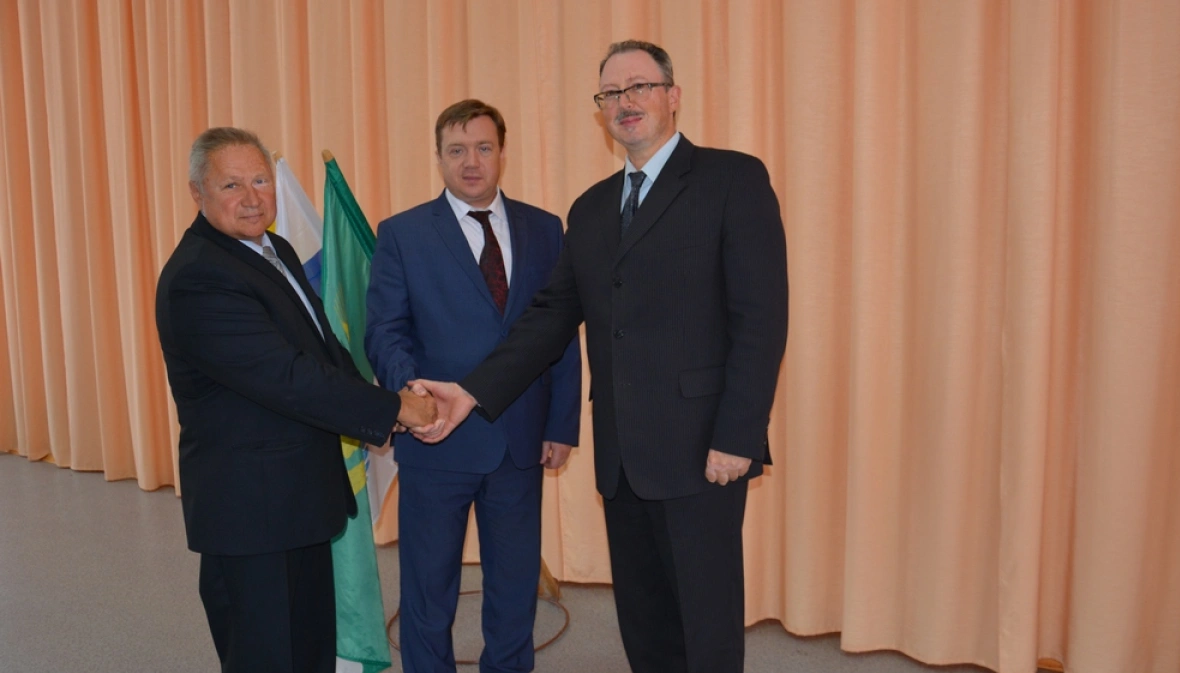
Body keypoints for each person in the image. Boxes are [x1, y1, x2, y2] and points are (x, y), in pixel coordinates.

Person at [411, 41, 789, 673]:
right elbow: (549, 318)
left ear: (673, 96)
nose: (625, 102)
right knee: (643, 615)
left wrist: (738, 435)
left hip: (703, 445)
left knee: (706, 615)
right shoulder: (589, 209)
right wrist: (471, 391)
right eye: (611, 93)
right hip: (621, 452)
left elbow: (762, 318)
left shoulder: (732, 179)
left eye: (639, 86)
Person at [155, 127, 436, 673]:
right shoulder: (199, 278)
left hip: (300, 500)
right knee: (266, 656)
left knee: (308, 651)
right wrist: (393, 409)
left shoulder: (273, 248)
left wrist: (385, 398)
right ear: (197, 193)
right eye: (232, 185)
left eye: (261, 180)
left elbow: (323, 351)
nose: (252, 197)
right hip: (251, 515)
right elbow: (286, 376)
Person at [364, 99, 581, 673]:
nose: (471, 162)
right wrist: (414, 401)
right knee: (428, 589)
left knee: (514, 587)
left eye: (483, 148)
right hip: (437, 440)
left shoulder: (545, 229)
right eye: (456, 150)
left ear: (502, 153)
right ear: (438, 157)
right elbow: (384, 331)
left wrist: (561, 424)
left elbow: (561, 331)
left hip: (520, 439)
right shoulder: (403, 233)